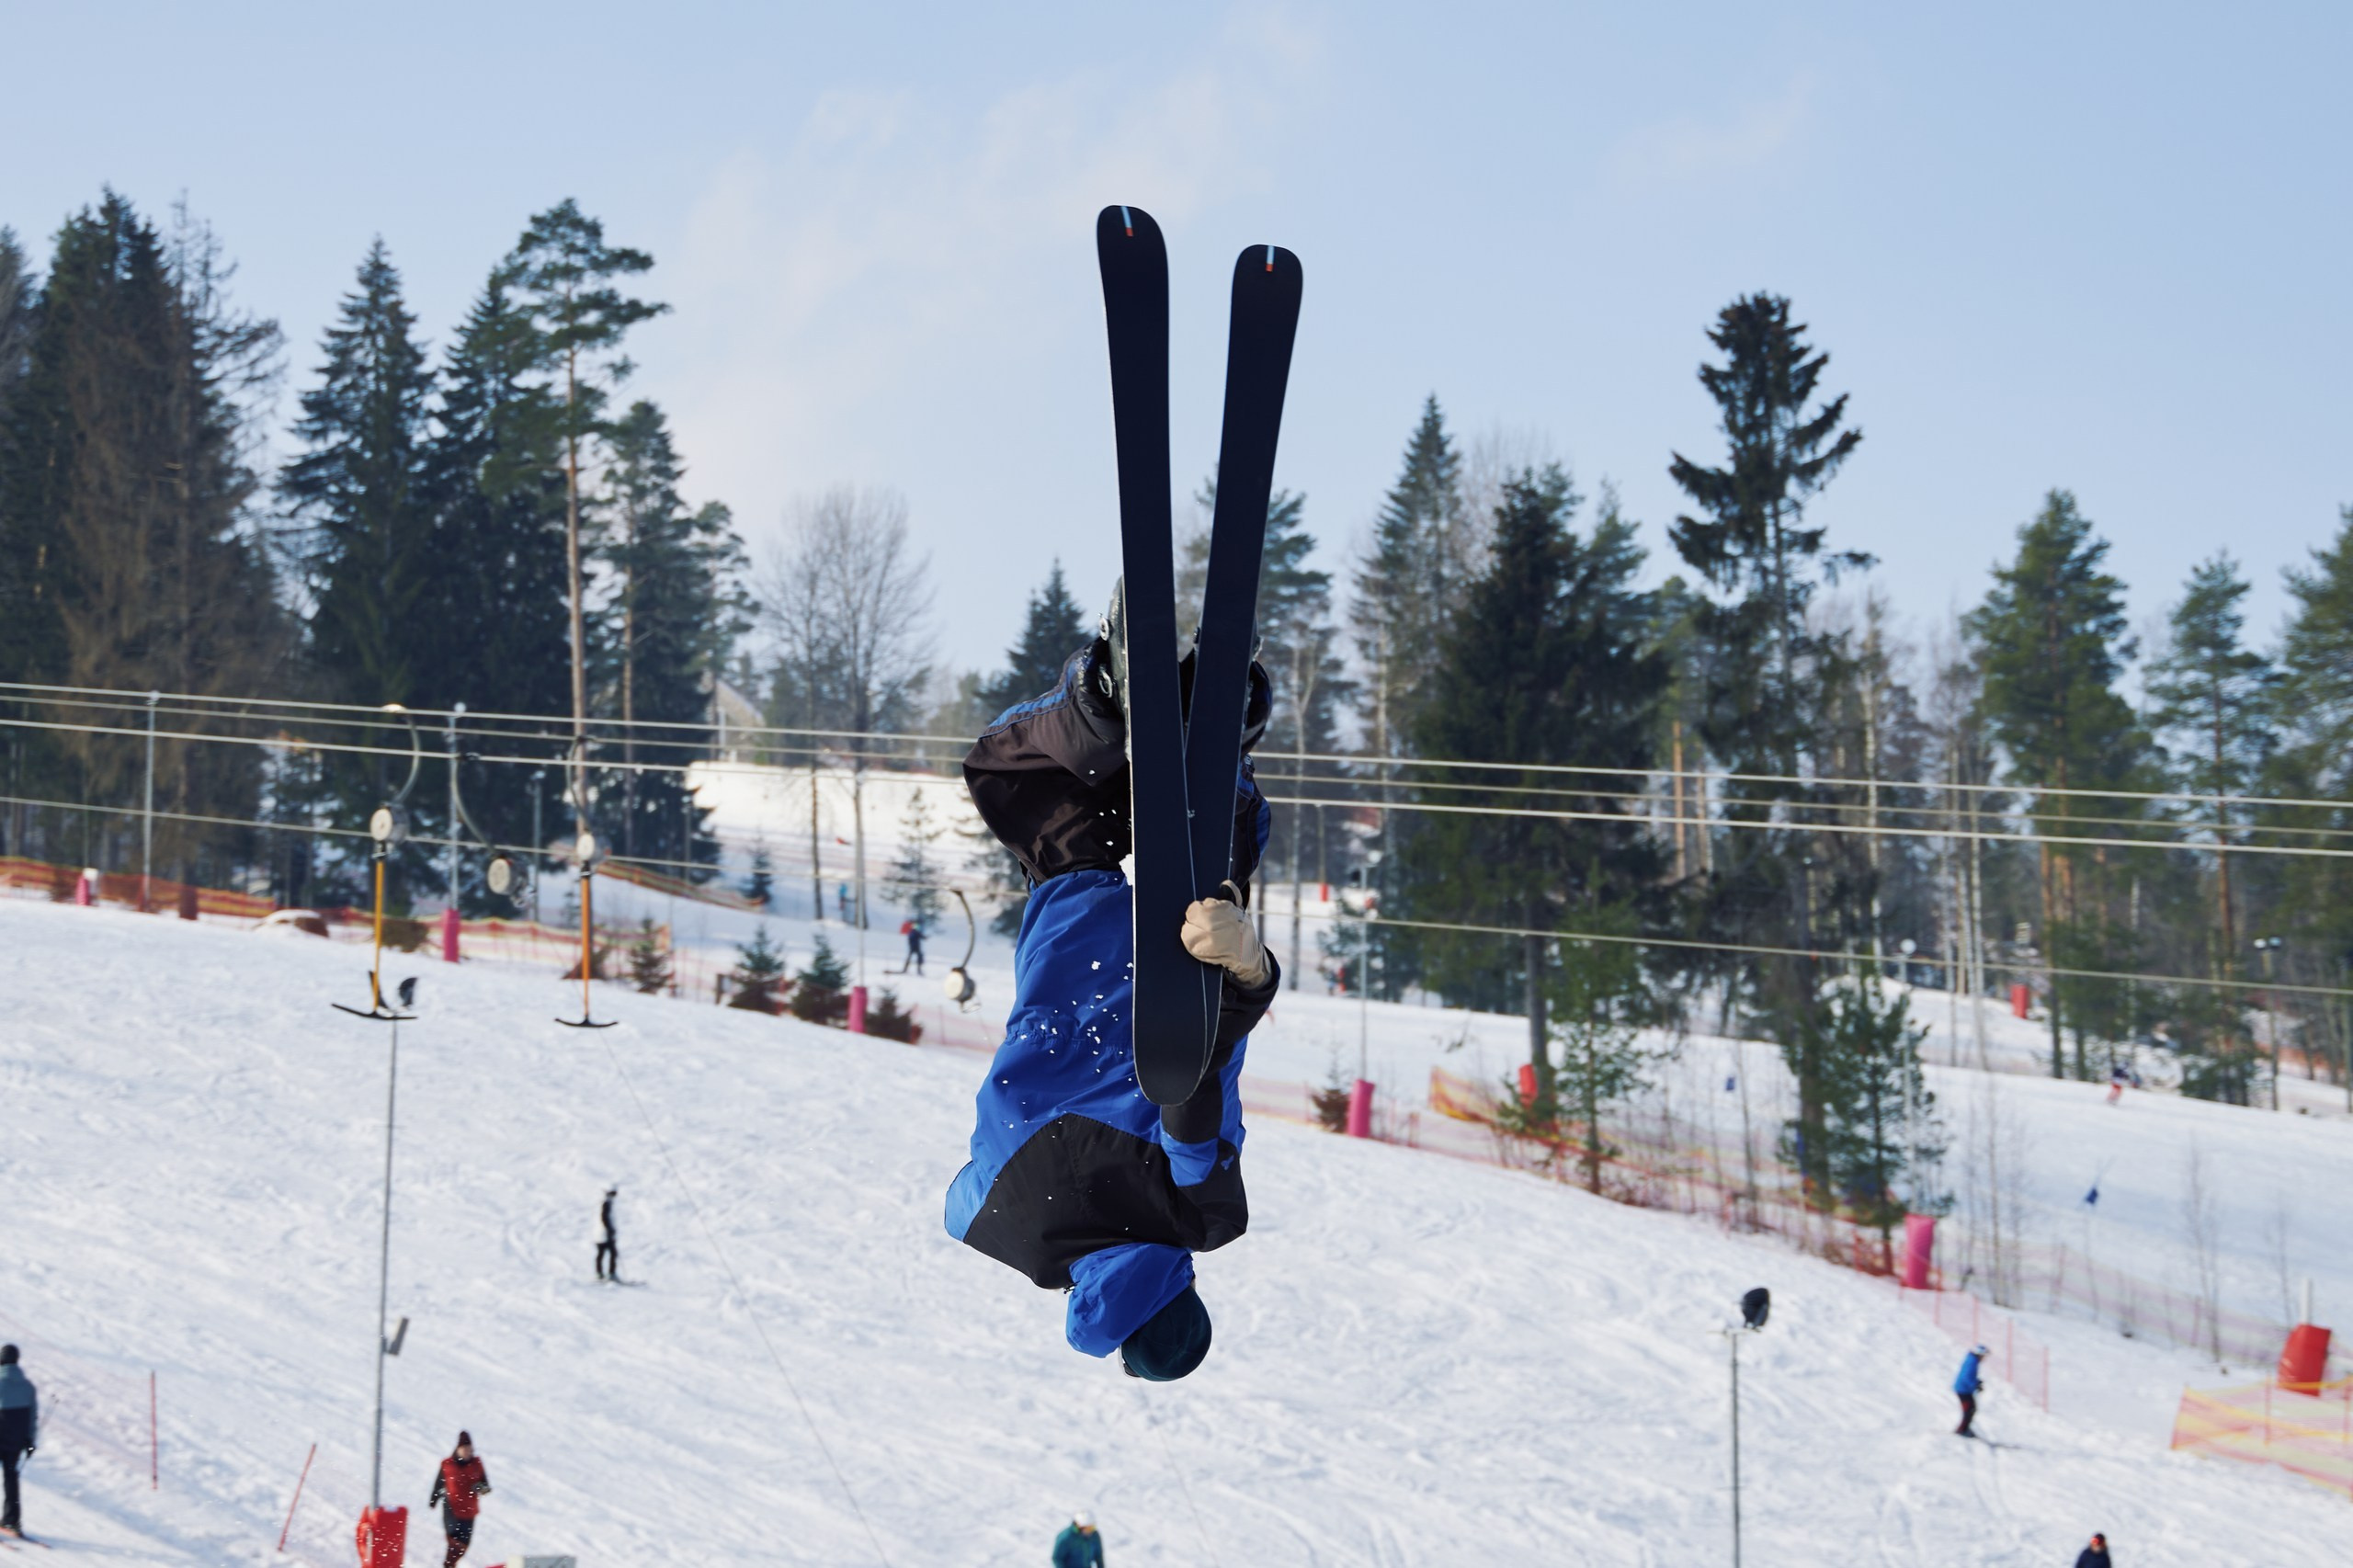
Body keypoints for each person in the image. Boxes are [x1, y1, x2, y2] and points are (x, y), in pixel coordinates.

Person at [947, 633, 1278, 1380]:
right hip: (1069, 945)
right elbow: (956, 1198)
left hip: (1181, 962)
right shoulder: (987, 1223)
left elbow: (1196, 1093)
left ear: (1183, 1292)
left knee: (1225, 849)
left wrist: (1252, 979)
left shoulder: (1200, 1220)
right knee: (1012, 780)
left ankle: (1226, 739)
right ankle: (1091, 706)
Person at [428, 1431, 492, 1567]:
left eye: (470, 1450)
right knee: (454, 1536)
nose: (468, 1453)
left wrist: (479, 1487)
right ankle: (449, 1565)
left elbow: (486, 1487)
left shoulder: (476, 1465)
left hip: (469, 1509)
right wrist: (433, 1499)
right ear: (458, 1449)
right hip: (451, 1506)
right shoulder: (447, 1464)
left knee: (464, 1543)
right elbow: (439, 1482)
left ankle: (449, 1564)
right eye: (465, 1449)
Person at [0, 1345, 37, 1540]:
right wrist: (31, 1442)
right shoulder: (28, 1387)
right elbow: (32, 1418)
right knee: (11, 1478)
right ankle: (11, 1520)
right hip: (16, 1442)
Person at [1954, 1344, 1987, 1436]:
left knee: (1971, 1409)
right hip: (1963, 1390)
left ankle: (1965, 1428)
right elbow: (1966, 1377)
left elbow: (1970, 1376)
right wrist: (1975, 1385)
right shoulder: (1972, 1362)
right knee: (1969, 1409)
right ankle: (1962, 1430)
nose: (1984, 1358)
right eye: (1983, 1356)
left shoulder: (1973, 1361)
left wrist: (1977, 1382)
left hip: (1965, 1389)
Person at [596, 1187, 620, 1282]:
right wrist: (610, 1230)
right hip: (604, 1235)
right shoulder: (606, 1203)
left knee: (603, 1254)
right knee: (611, 1253)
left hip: (601, 1234)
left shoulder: (605, 1203)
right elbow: (604, 1218)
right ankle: (610, 1274)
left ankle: (601, 1273)